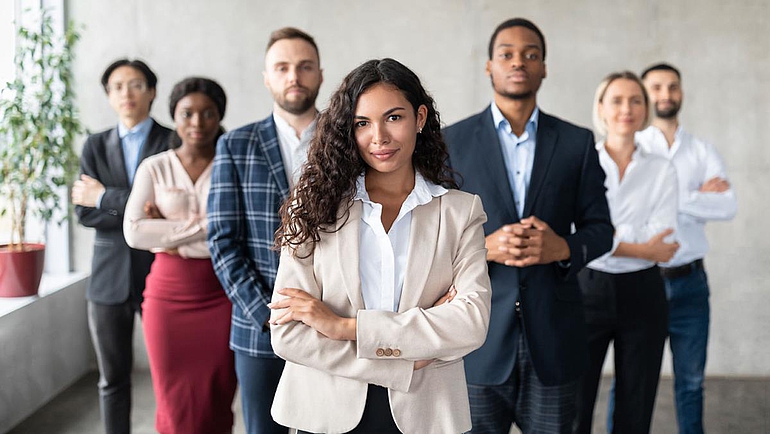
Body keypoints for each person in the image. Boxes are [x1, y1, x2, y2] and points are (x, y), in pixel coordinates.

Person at [268, 58, 492, 434]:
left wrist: (342, 327)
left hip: (426, 414)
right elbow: (288, 334)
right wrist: (404, 360)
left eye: (393, 118)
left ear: (420, 118)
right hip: (324, 413)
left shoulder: (460, 212)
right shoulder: (311, 206)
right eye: (362, 123)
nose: (379, 138)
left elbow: (470, 324)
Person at [442, 18, 614, 434]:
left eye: (530, 54)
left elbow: (602, 230)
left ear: (544, 67)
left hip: (554, 342)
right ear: (489, 66)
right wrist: (484, 248)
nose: (518, 62)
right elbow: (430, 239)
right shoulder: (452, 142)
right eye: (507, 54)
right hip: (476, 342)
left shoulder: (576, 142)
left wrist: (563, 249)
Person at [606, 63, 737, 434]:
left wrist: (667, 195)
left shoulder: (701, 149)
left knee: (692, 383)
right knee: (630, 382)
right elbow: (617, 216)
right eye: (657, 87)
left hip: (690, 284)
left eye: (673, 87)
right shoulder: (631, 146)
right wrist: (695, 196)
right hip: (641, 281)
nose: (666, 94)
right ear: (647, 98)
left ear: (681, 93)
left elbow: (727, 206)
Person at [207, 27, 323, 434]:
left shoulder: (346, 141)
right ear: (267, 77)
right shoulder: (236, 145)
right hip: (258, 329)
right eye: (283, 67)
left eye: (304, 66)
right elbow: (222, 241)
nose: (295, 76)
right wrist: (264, 313)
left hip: (330, 324)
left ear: (320, 75)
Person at [123, 77, 236, 434]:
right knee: (172, 401)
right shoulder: (154, 167)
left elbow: (242, 231)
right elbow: (134, 231)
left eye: (208, 114)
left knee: (217, 397)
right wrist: (210, 227)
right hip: (167, 298)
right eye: (187, 113)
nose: (197, 122)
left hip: (222, 295)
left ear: (220, 117)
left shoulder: (232, 165)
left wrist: (170, 231)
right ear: (174, 115)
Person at [572, 71, 679, 434]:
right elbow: (574, 232)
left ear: (646, 108)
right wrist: (636, 243)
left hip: (643, 292)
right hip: (586, 288)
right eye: (616, 100)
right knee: (575, 403)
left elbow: (662, 238)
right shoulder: (581, 161)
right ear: (601, 108)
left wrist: (604, 236)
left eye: (636, 100)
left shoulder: (661, 168)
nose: (627, 108)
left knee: (636, 404)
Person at [72, 59, 170, 434]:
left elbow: (169, 210)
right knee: (112, 379)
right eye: (116, 87)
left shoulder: (172, 140)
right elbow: (84, 212)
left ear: (152, 91)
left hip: (160, 275)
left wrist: (105, 197)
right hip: (107, 280)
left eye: (135, 85)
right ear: (109, 96)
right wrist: (132, 206)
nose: (126, 93)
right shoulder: (95, 145)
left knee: (168, 375)